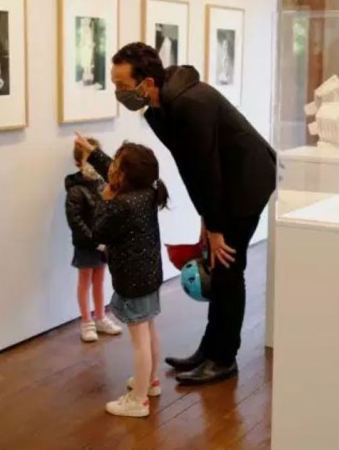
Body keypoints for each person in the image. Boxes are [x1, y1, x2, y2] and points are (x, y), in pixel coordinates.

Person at [78, 41, 276, 386]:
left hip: (247, 182)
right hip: (226, 182)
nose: (118, 92)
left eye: (122, 85)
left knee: (228, 268)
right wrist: (207, 217)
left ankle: (223, 358)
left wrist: (214, 227)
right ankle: (209, 350)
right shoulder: (158, 107)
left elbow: (206, 170)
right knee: (220, 264)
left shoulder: (190, 104)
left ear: (147, 83)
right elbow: (192, 167)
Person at [85, 140, 168, 418]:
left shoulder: (120, 204)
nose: (112, 168)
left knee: (139, 341)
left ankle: (138, 399)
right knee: (149, 331)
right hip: (150, 275)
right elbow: (115, 170)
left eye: (117, 164)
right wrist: (93, 153)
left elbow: (98, 232)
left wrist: (105, 200)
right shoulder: (146, 192)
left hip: (132, 281)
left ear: (125, 175)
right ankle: (151, 381)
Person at [65, 138, 123, 342]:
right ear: (78, 162)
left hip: (103, 244)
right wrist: (93, 241)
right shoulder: (75, 190)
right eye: (86, 158)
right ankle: (86, 321)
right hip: (86, 245)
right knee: (85, 281)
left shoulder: (103, 185)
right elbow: (76, 222)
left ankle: (100, 317)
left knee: (99, 280)